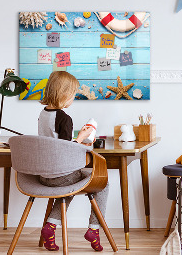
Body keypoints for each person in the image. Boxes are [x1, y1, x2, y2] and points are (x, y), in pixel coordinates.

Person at [38, 71, 108, 252]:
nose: (73, 98)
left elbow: (55, 143)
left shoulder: (43, 114)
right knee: (103, 183)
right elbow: (66, 150)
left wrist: (77, 139)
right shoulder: (64, 118)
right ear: (63, 94)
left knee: (68, 186)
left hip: (44, 175)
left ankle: (50, 227)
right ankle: (94, 229)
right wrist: (83, 137)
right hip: (61, 175)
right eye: (73, 94)